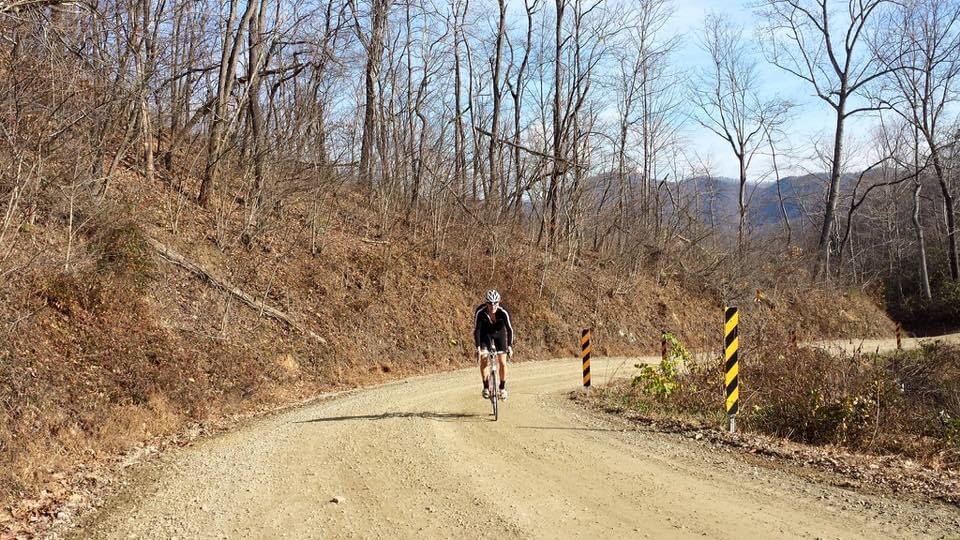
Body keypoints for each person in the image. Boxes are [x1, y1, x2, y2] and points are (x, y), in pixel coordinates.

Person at [473, 289, 514, 400]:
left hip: (499, 334)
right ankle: (486, 387)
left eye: (495, 303)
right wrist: (478, 348)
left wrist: (509, 346)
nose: (493, 306)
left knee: (502, 362)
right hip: (485, 334)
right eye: (490, 303)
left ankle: (502, 388)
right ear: (486, 303)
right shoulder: (480, 312)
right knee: (484, 358)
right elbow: (477, 330)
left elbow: (509, 329)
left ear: (499, 303)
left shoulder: (503, 312)